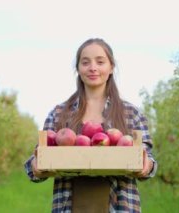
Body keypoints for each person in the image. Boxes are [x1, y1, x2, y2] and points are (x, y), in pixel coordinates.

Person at [24, 38, 157, 212]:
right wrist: (36, 166)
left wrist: (145, 166)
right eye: (85, 62)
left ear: (111, 68)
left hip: (120, 207)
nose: (93, 67)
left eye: (100, 62)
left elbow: (149, 161)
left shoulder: (131, 114)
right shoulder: (59, 114)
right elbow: (35, 164)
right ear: (78, 69)